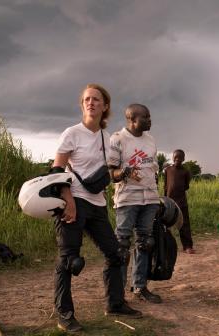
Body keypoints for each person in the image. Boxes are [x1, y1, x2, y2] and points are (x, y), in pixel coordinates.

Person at [51, 83, 141, 332]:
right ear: (82, 104)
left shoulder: (106, 138)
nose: (91, 102)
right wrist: (68, 200)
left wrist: (124, 174)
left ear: (105, 106)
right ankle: (65, 314)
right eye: (87, 99)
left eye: (96, 99)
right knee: (69, 260)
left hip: (97, 203)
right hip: (74, 202)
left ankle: (115, 303)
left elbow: (107, 173)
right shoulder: (72, 133)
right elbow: (57, 170)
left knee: (117, 254)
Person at [107, 104, 163, 304]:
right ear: (132, 119)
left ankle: (140, 287)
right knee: (122, 244)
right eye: (146, 117)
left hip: (149, 199)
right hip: (127, 199)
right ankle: (118, 292)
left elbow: (153, 170)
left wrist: (157, 197)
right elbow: (111, 173)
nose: (150, 120)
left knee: (145, 243)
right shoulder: (118, 139)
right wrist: (123, 172)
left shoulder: (151, 140)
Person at [164, 149, 195, 254]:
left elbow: (186, 186)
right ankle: (166, 246)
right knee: (166, 224)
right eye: (176, 157)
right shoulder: (167, 170)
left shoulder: (185, 172)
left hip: (182, 202)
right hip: (169, 202)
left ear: (183, 159)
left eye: (180, 157)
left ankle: (187, 246)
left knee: (184, 224)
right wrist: (165, 199)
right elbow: (165, 186)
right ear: (172, 158)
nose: (177, 159)